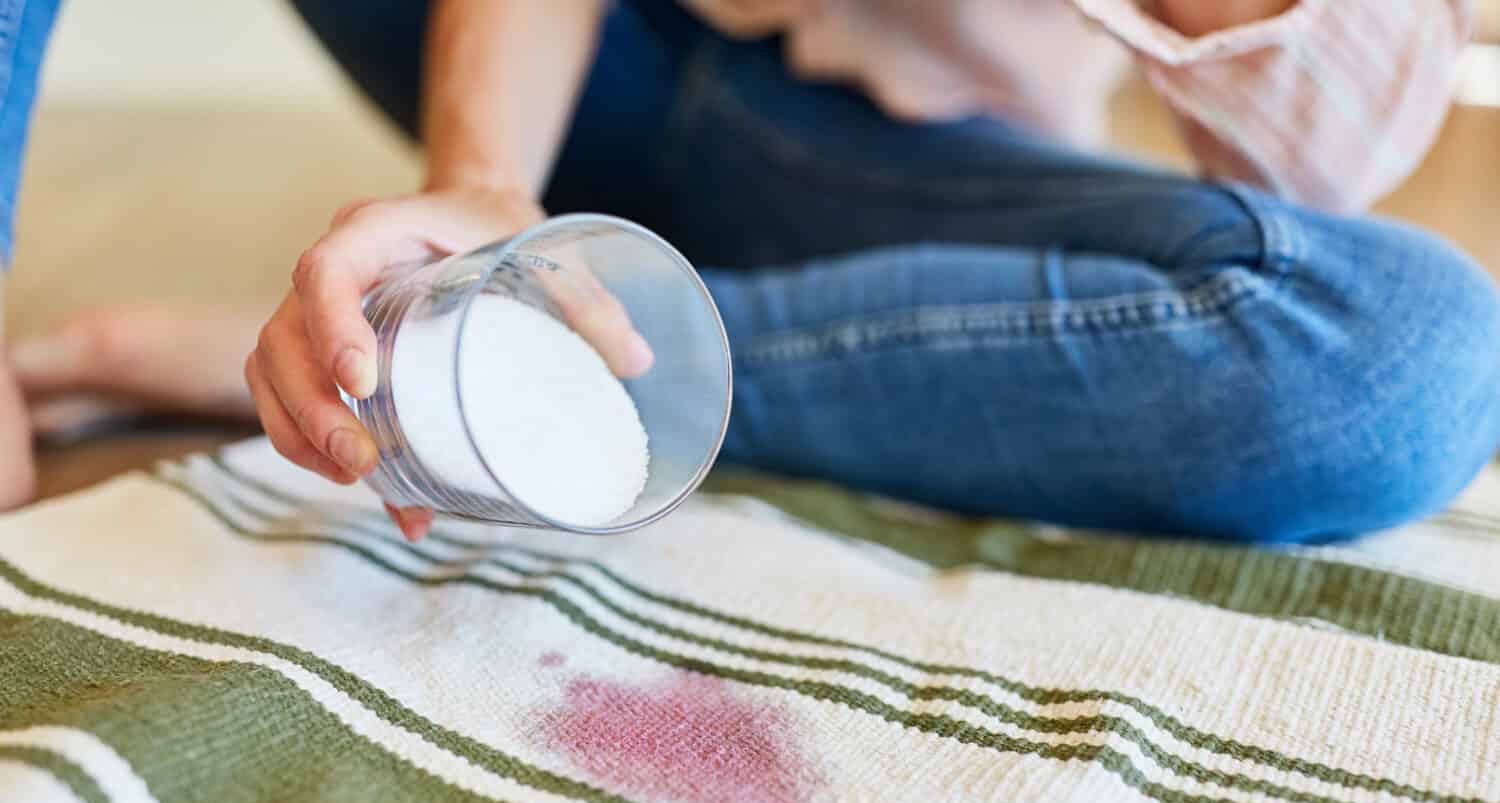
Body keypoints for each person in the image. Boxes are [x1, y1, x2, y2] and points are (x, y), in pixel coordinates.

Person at [4, 0, 1498, 545]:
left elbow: (1329, 156)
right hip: (568, 56)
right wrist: (483, 183)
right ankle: (488, 311)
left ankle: (548, 359)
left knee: (1405, 353)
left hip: (889, 145)